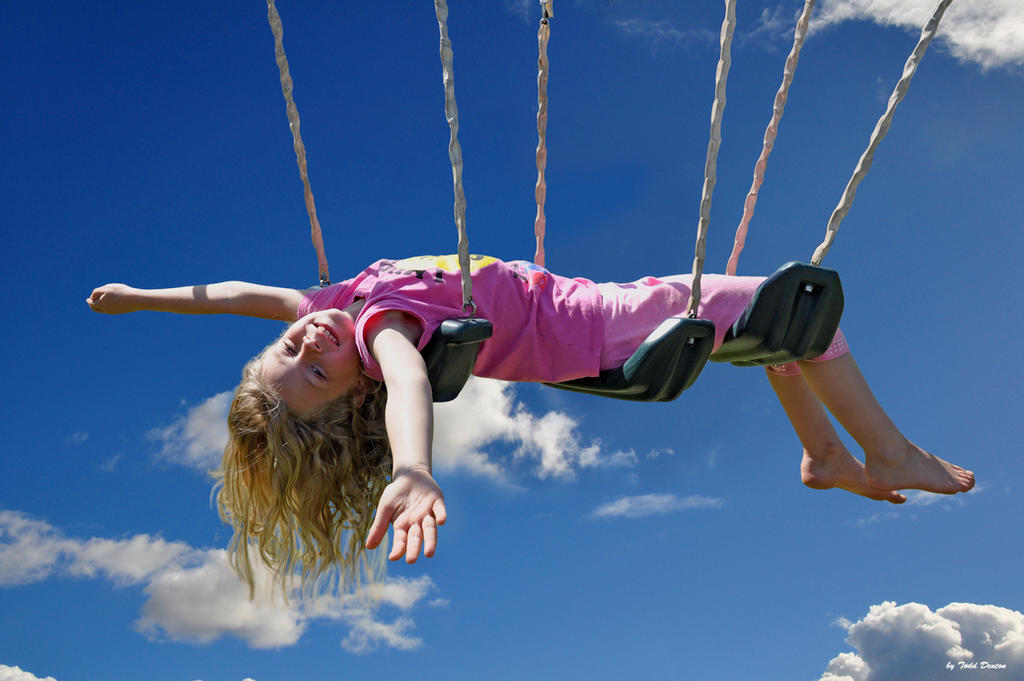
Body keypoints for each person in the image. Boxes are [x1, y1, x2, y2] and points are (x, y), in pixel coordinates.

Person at [87, 254, 974, 594]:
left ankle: (824, 454)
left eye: (290, 347)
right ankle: (883, 447)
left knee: (765, 324)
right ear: (351, 392)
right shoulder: (379, 333)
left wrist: (143, 299)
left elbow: (242, 295)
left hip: (582, 309)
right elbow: (405, 386)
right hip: (590, 326)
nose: (311, 338)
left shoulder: (326, 305)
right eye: (317, 369)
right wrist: (412, 468)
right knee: (788, 304)